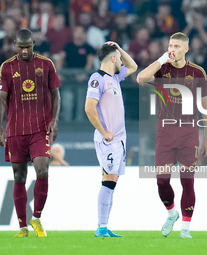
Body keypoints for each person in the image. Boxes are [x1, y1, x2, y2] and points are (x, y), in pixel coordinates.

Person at [136, 32, 207, 238]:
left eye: (177, 46)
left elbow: (206, 108)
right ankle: (171, 214)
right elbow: (140, 79)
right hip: (165, 130)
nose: (172, 49)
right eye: (170, 45)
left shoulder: (197, 72)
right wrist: (161, 59)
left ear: (186, 49)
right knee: (161, 181)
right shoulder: (162, 68)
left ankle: (185, 229)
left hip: (189, 131)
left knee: (187, 181)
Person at [0, 29, 61, 238]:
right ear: (15, 45)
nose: (24, 51)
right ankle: (22, 226)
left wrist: (54, 120)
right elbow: (1, 101)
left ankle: (37, 218)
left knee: (42, 170)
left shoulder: (46, 64)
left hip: (40, 128)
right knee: (19, 176)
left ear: (34, 43)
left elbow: (55, 94)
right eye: (20, 47)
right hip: (16, 130)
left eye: (28, 47)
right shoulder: (6, 67)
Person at [85, 41, 137, 237]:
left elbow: (133, 67)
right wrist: (104, 131)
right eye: (119, 57)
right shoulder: (97, 79)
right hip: (108, 140)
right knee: (109, 181)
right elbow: (89, 108)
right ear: (113, 59)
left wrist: (119, 48)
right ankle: (101, 227)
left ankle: (104, 227)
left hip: (119, 140)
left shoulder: (115, 77)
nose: (122, 60)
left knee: (112, 181)